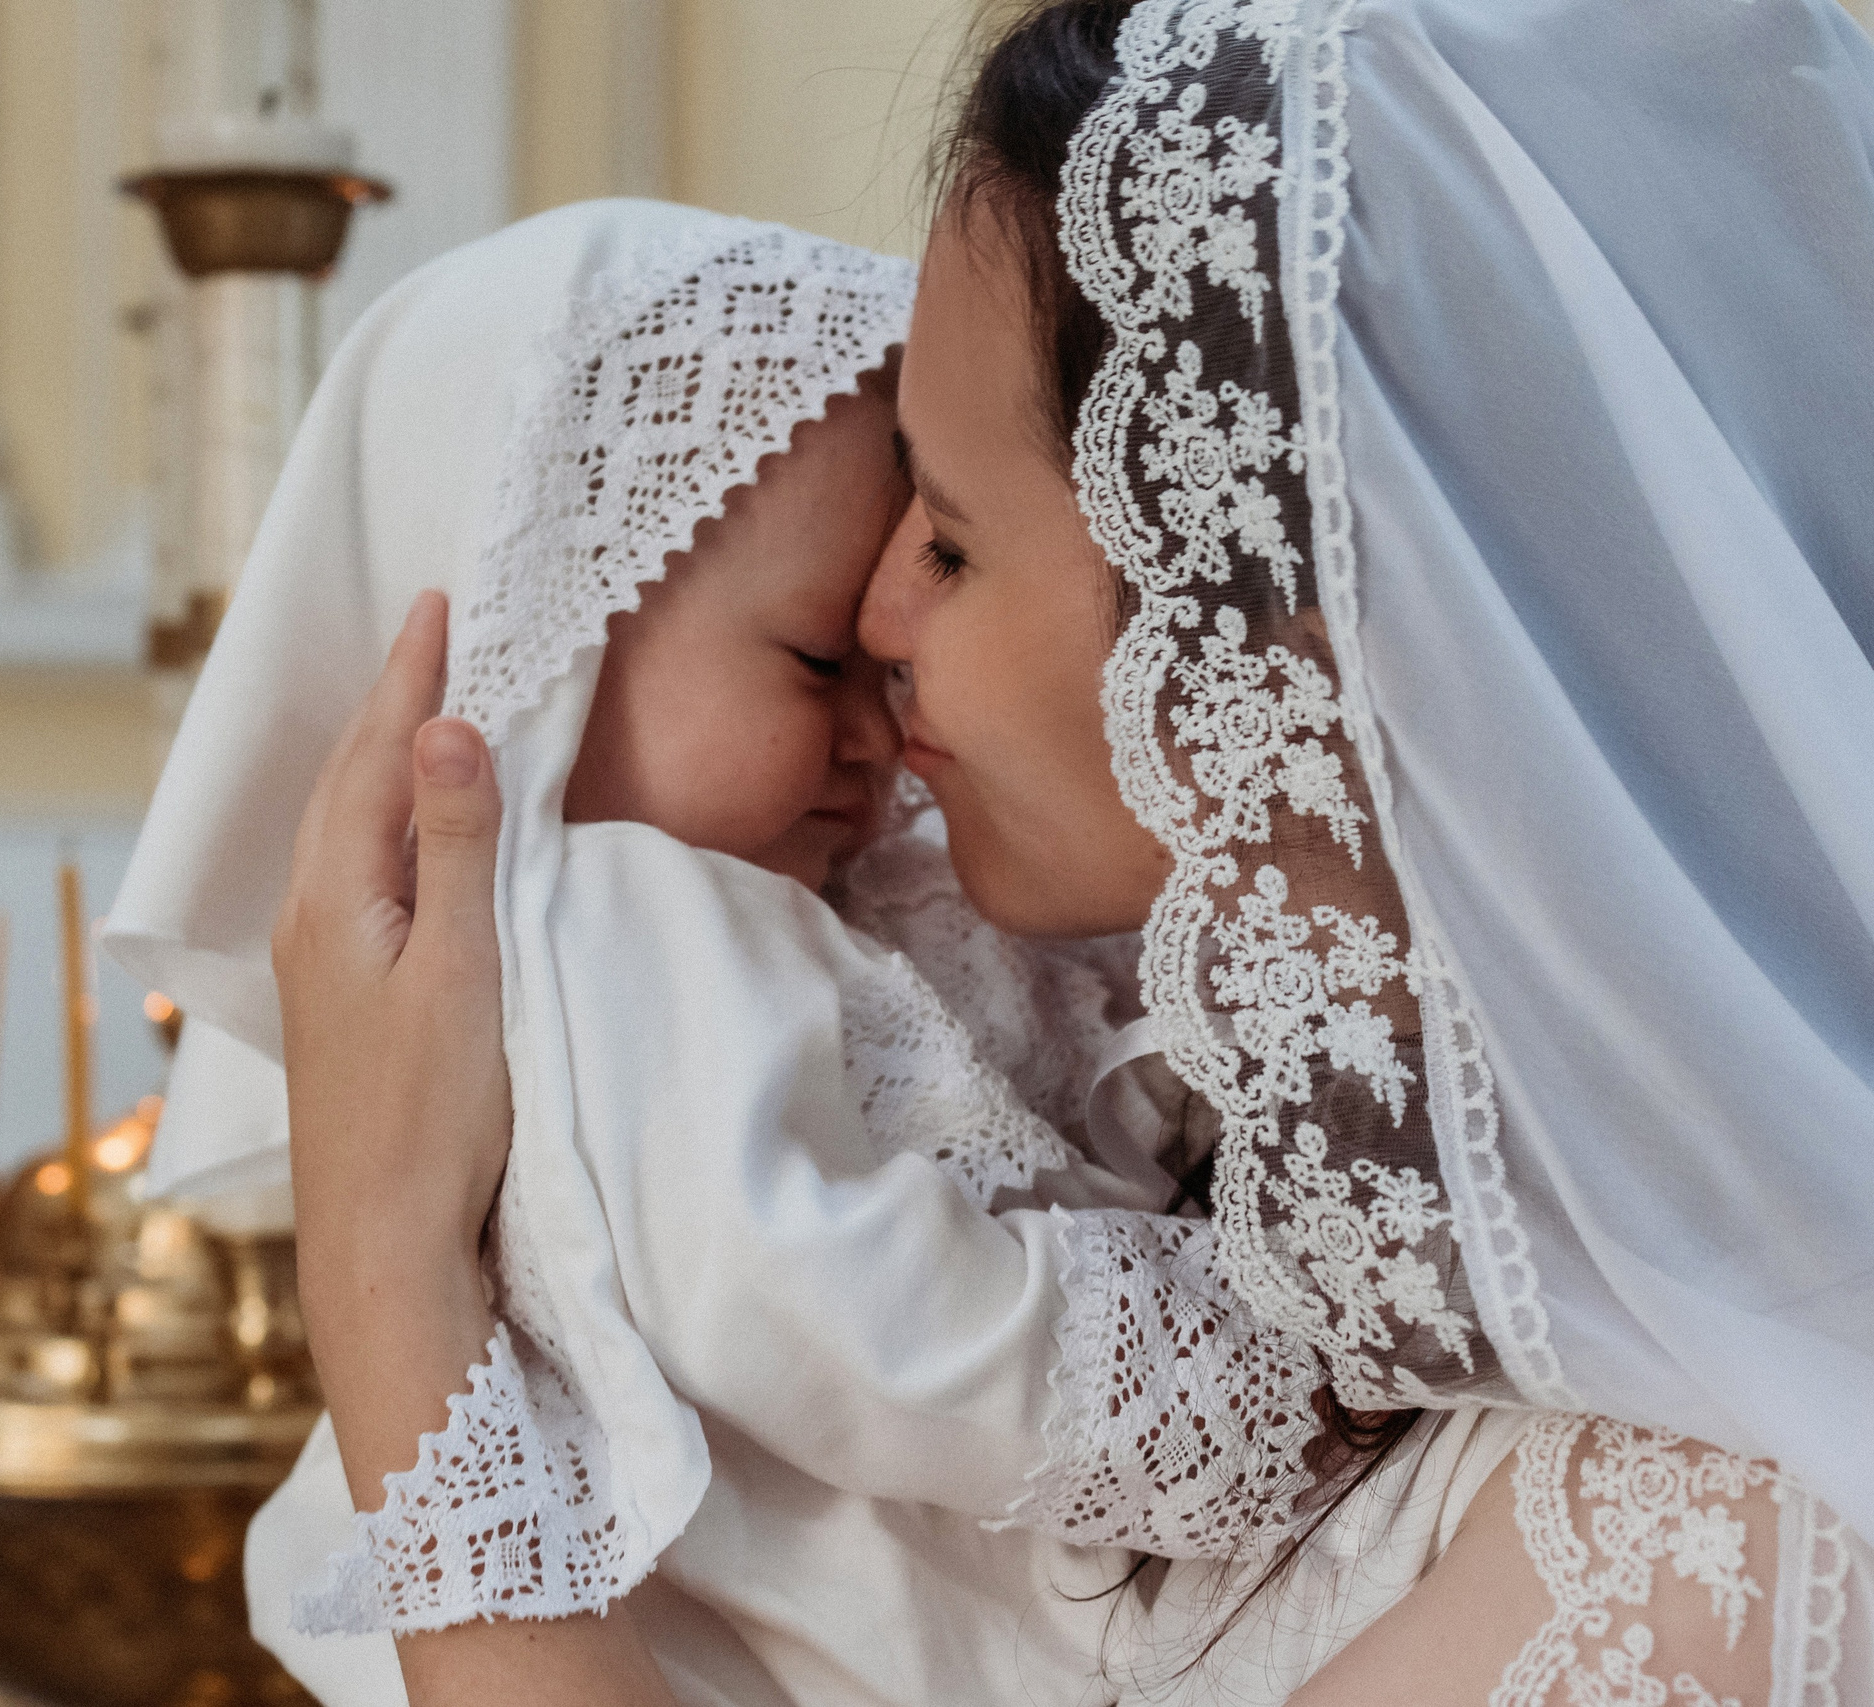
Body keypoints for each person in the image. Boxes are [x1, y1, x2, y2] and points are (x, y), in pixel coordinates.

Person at [259, 0, 1874, 1704]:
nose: (877, 616)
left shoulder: (1701, 1556)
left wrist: (384, 1272)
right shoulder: (1347, 1224)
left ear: (1283, 641)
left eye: (946, 541)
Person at [110, 198, 1210, 1707]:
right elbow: (845, 1311)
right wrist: (1232, 1374)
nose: (882, 735)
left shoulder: (818, 898)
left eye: (887, 665)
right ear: (549, 654)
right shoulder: (625, 932)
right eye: (820, 661)